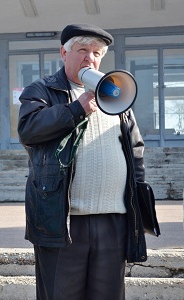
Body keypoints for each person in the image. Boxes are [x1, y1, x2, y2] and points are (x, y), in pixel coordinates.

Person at [17, 23, 147, 300]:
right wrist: (77, 108)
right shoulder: (41, 90)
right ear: (64, 53)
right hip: (63, 220)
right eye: (83, 50)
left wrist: (137, 200)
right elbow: (29, 130)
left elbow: (135, 148)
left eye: (97, 53)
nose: (90, 58)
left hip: (113, 219)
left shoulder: (115, 92)